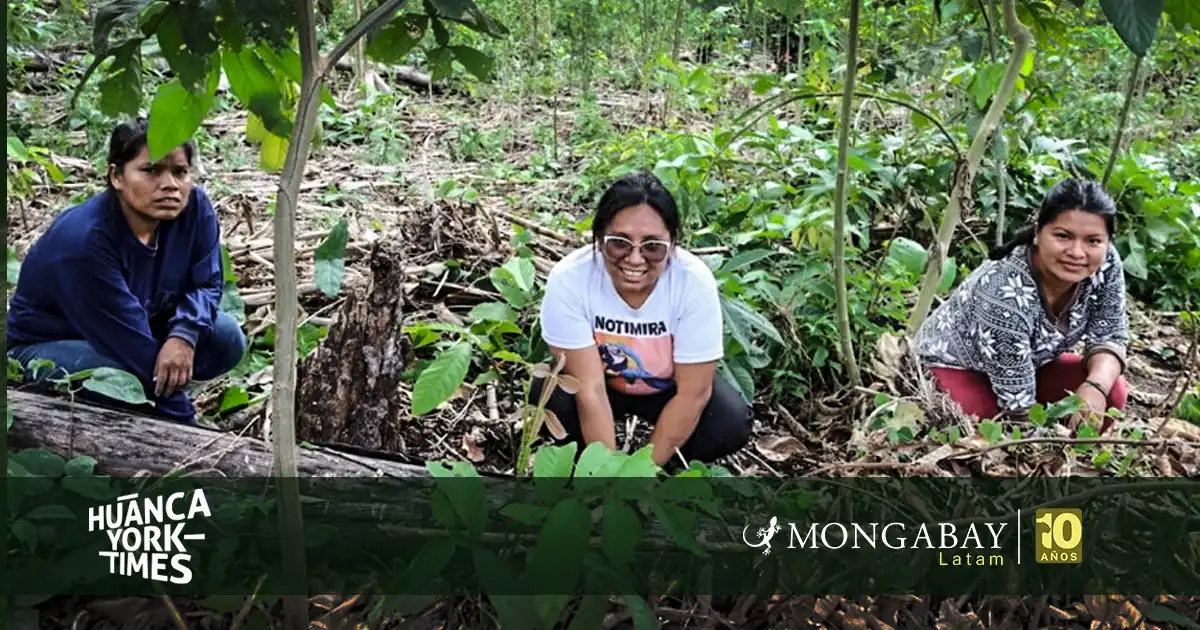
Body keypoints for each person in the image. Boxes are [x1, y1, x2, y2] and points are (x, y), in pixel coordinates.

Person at [7, 119, 246, 424]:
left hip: (134, 327)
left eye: (179, 172)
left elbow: (208, 283)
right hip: (47, 345)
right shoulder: (84, 241)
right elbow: (132, 343)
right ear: (116, 176)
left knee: (225, 336)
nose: (170, 185)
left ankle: (158, 395)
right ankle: (151, 406)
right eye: (151, 170)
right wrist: (191, 430)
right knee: (119, 376)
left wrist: (184, 335)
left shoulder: (194, 209)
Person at [531, 170, 753, 469]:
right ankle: (586, 462)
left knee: (729, 421)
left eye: (652, 247)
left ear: (672, 245)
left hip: (668, 388)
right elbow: (589, 389)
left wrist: (640, 474)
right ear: (599, 239)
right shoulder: (571, 279)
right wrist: (605, 471)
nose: (635, 259)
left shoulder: (692, 282)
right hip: (602, 384)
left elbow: (693, 393)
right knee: (549, 392)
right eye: (619, 243)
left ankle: (668, 465)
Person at [913, 178, 1130, 432]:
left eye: (1093, 241)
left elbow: (1110, 334)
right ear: (1038, 233)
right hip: (957, 366)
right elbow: (1018, 406)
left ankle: (1073, 441)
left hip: (1032, 365)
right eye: (1063, 236)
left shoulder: (1106, 263)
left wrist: (1095, 387)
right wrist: (1038, 438)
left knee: (1110, 392)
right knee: (986, 423)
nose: (1077, 252)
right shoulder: (1003, 290)